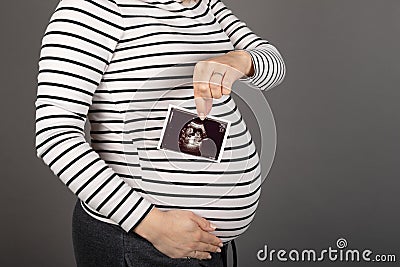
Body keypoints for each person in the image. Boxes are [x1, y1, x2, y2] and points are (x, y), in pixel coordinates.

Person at [35, 0, 285, 266]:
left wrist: (240, 60)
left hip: (203, 245)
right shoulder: (92, 7)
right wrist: (153, 225)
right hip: (143, 241)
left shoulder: (205, 4)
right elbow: (55, 134)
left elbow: (274, 66)